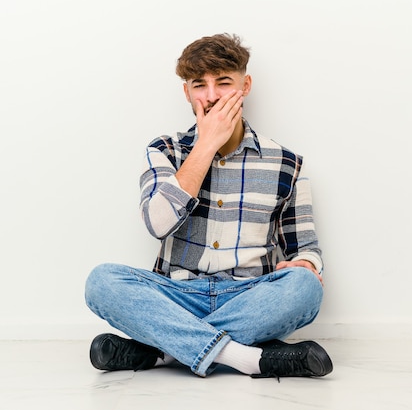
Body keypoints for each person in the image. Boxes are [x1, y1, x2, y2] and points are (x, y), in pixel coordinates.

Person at [84, 33, 332, 379]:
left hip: (248, 296)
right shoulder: (164, 150)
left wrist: (303, 263)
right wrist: (206, 145)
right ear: (187, 92)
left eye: (224, 82)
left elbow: (305, 247)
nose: (212, 96)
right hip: (176, 294)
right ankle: (248, 358)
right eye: (200, 85)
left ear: (245, 86)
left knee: (305, 288)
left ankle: (163, 353)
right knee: (102, 282)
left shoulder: (286, 162)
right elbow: (157, 224)